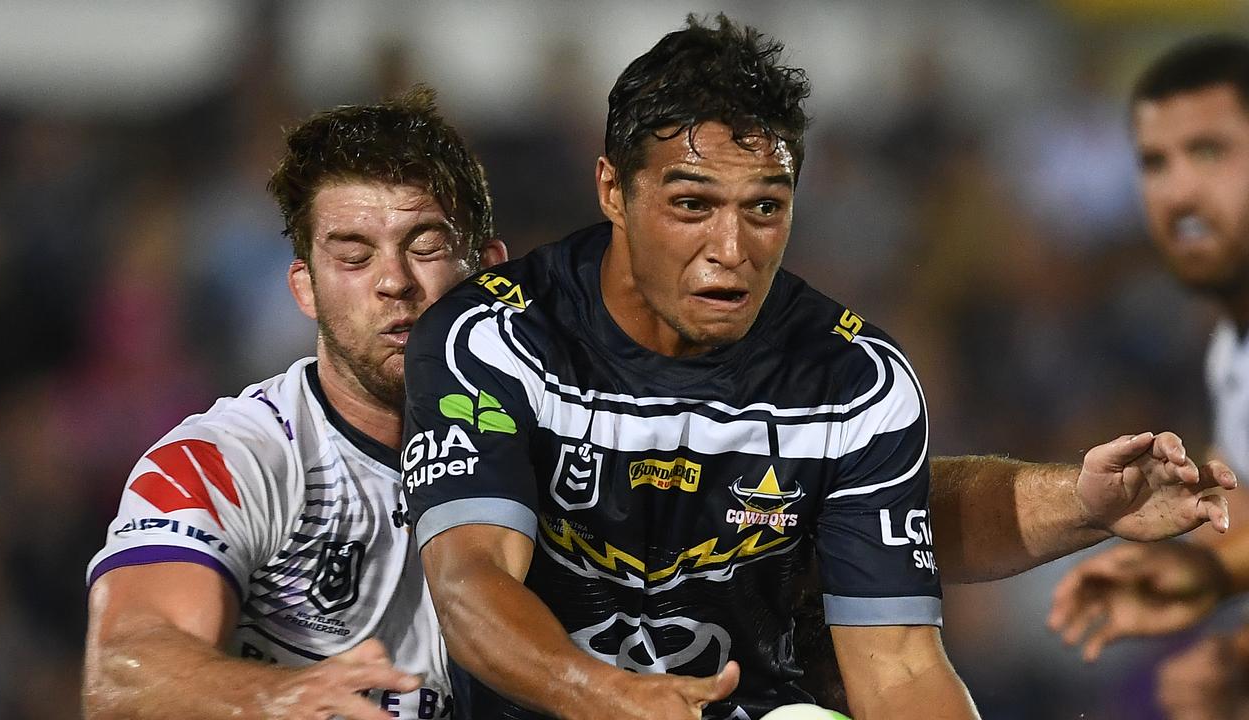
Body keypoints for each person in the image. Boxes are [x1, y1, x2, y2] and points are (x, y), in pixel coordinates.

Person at [402, 16, 1235, 720]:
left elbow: (901, 667)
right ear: (613, 190)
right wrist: (616, 698)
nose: (730, 251)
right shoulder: (492, 338)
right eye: (691, 205)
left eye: (766, 206)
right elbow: (471, 587)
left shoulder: (852, 383)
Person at [82, 89, 507, 719]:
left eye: (424, 247)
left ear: (489, 274)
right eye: (353, 257)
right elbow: (122, 674)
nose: (394, 281)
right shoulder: (224, 460)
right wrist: (280, 695)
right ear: (304, 287)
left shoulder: (566, 455)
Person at [1048, 35, 1249, 718]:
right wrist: (1210, 570)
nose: (1179, 190)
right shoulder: (1231, 349)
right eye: (1155, 162)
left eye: (1211, 151)